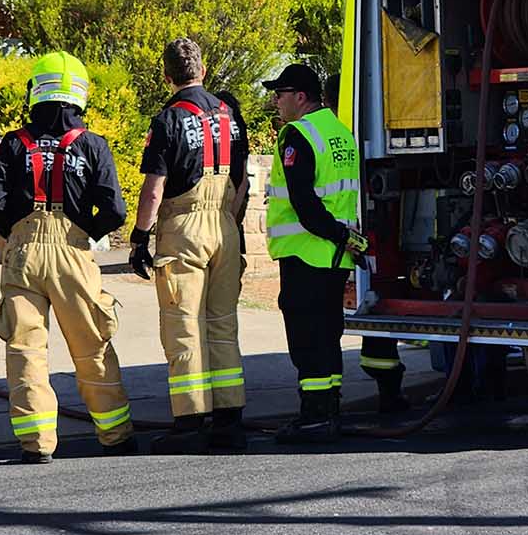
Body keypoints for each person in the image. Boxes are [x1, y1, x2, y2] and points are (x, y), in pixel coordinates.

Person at [0, 52, 135, 464]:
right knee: (91, 345)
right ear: (80, 95)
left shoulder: (15, 143)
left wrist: (16, 229)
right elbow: (116, 211)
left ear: (36, 91)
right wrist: (86, 230)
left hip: (23, 253)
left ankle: (37, 443)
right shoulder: (92, 145)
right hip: (73, 253)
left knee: (26, 349)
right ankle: (115, 435)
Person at [129, 38, 250, 454]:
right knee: (222, 323)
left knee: (184, 327)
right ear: (204, 70)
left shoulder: (167, 120)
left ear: (167, 76)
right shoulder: (230, 115)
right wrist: (228, 223)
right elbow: (243, 181)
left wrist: (140, 237)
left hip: (184, 229)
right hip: (224, 224)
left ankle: (190, 420)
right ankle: (230, 418)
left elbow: (154, 188)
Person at [264, 63, 367, 443]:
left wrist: (335, 234)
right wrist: (342, 239)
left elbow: (304, 203)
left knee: (307, 340)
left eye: (281, 94)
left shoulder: (297, 134)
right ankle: (330, 409)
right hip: (334, 256)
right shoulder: (340, 132)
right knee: (327, 333)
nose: (276, 101)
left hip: (307, 251)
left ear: (300, 97)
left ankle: (313, 417)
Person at [322, 72, 410, 416]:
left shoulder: (327, 134)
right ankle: (389, 390)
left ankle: (329, 399)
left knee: (361, 310)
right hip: (367, 232)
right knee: (376, 302)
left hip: (339, 240)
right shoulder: (356, 131)